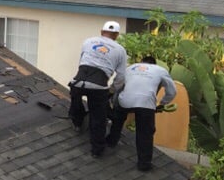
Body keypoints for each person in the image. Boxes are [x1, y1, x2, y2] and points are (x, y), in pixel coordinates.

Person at [106, 56, 177, 171]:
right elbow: (172, 91)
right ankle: (144, 164)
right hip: (146, 103)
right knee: (145, 133)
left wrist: (111, 98)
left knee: (118, 119)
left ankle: (111, 141)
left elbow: (118, 85)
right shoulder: (160, 70)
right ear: (154, 64)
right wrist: (163, 103)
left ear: (141, 62)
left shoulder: (131, 68)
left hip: (125, 100)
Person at [68, 21, 128, 157]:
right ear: (117, 35)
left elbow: (82, 61)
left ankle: (77, 122)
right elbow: (121, 76)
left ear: (102, 32)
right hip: (99, 85)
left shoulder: (89, 41)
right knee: (98, 117)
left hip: (79, 80)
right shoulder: (120, 50)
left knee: (75, 99)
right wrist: (112, 90)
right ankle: (97, 150)